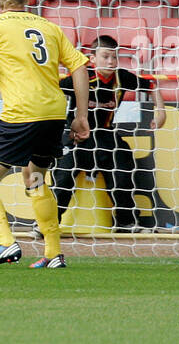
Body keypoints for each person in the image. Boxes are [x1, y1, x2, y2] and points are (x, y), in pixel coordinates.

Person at [0, 0, 90, 269]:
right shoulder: (49, 27)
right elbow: (80, 67)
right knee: (34, 177)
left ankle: (5, 243)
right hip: (55, 114)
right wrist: (80, 116)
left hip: (22, 114)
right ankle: (53, 253)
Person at [51, 35, 165, 233]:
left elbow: (152, 87)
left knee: (122, 167)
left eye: (114, 57)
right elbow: (52, 90)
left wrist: (161, 111)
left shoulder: (121, 77)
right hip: (76, 136)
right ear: (92, 59)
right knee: (63, 176)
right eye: (105, 57)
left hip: (105, 134)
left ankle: (126, 222)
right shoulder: (81, 76)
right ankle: (48, 223)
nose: (111, 62)